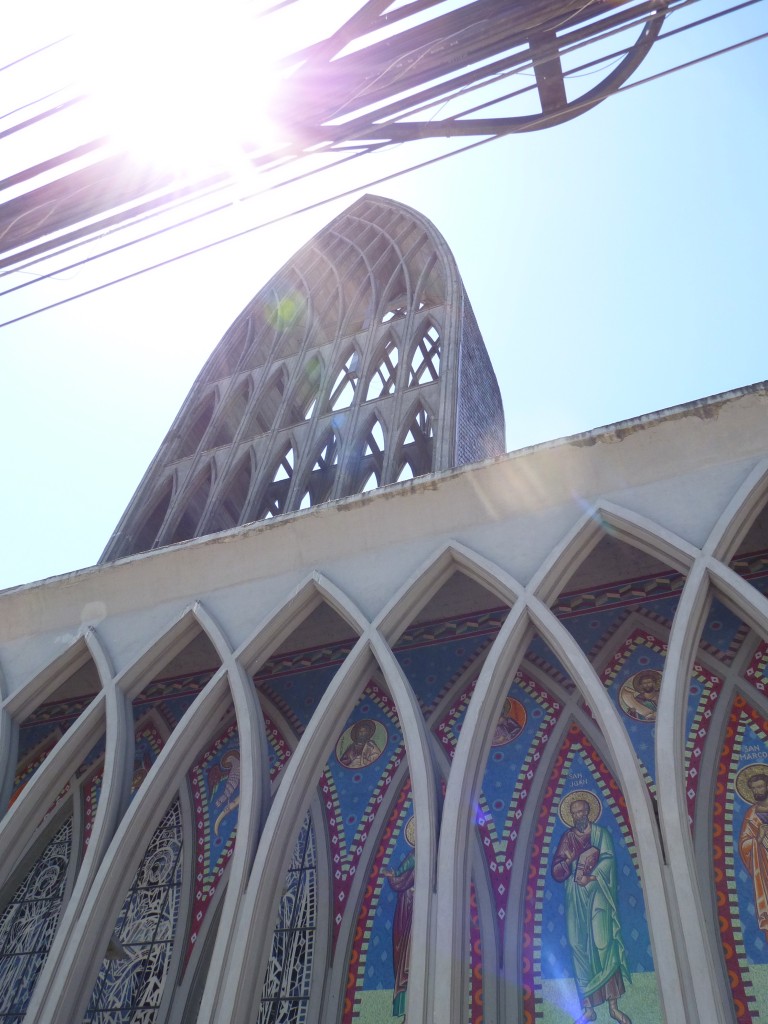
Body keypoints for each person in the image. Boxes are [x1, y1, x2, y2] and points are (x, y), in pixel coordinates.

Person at [551, 793, 632, 1024]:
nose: (578, 816)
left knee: (603, 944)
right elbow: (557, 870)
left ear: (588, 812)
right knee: (578, 945)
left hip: (598, 894)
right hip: (575, 897)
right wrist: (567, 862)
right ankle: (588, 1008)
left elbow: (608, 860)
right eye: (574, 813)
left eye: (581, 812)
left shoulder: (601, 834)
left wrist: (591, 875)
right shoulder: (567, 838)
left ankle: (614, 1007)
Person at [382, 820, 415, 1020]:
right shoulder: (413, 857)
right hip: (409, 917)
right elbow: (401, 874)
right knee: (405, 961)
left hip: (416, 922)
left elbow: (400, 876)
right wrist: (393, 876)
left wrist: (394, 877)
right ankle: (405, 1010)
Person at [738, 770, 768, 941]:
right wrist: (759, 837)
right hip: (764, 867)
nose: (757, 791)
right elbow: (744, 846)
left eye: (760, 786)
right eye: (754, 788)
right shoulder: (751, 815)